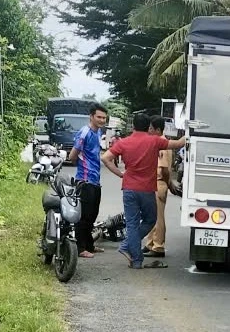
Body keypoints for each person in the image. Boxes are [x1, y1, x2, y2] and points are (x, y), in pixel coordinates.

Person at [102, 114, 186, 269]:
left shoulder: (124, 142)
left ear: (133, 126)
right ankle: (132, 254)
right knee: (150, 220)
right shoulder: (154, 140)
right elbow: (179, 143)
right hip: (147, 189)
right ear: (148, 127)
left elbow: (106, 158)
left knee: (132, 224)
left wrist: (120, 174)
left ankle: (133, 255)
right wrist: (191, 131)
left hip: (129, 189)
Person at [68, 104, 109, 259]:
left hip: (95, 180)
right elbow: (73, 155)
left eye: (104, 118)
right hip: (84, 180)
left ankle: (89, 245)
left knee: (93, 214)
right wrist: (81, 166)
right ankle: (80, 248)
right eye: (99, 117)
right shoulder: (84, 132)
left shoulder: (98, 132)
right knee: (84, 216)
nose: (102, 120)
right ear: (91, 116)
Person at [142, 116, 175, 258]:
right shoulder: (156, 143)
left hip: (159, 182)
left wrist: (168, 183)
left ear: (158, 130)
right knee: (150, 215)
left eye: (150, 128)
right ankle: (150, 243)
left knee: (158, 217)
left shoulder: (163, 144)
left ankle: (158, 246)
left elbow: (164, 169)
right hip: (152, 183)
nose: (148, 130)